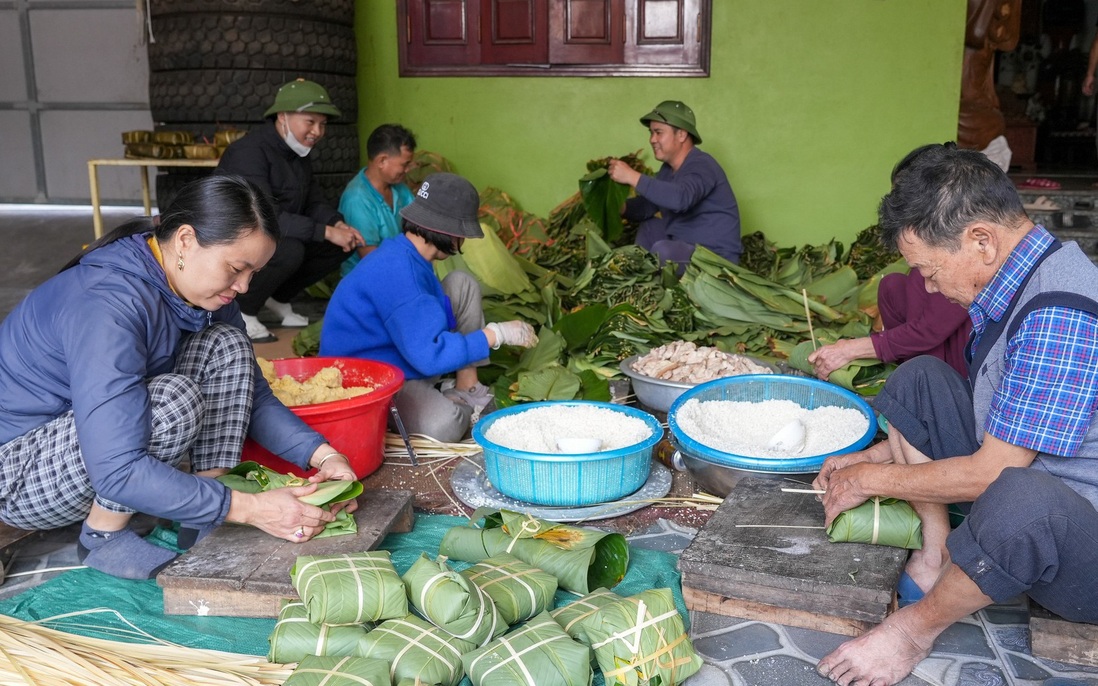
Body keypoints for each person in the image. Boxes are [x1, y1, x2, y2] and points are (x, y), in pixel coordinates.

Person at [812, 145, 1098, 686]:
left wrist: (874, 479)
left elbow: (993, 472)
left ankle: (913, 630)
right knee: (919, 377)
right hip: (1032, 492)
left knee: (1020, 496)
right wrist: (862, 458)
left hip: (1083, 545)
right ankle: (939, 548)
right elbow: (993, 418)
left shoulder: (1059, 309)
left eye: (929, 268)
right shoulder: (1017, 284)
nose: (925, 284)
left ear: (982, 241)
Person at [0, 175, 359, 580]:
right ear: (186, 240)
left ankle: (201, 512)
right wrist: (251, 508)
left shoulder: (202, 291)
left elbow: (252, 397)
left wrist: (324, 456)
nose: (242, 287)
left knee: (227, 344)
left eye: (253, 273)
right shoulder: (108, 304)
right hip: (19, 470)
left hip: (88, 442)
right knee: (174, 399)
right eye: (236, 269)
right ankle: (102, 535)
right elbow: (116, 469)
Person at [320, 173, 538, 443]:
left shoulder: (407, 253)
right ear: (447, 233)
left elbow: (423, 323)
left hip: (402, 352)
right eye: (462, 234)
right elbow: (428, 355)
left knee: (461, 283)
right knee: (446, 424)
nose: (464, 242)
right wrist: (496, 334)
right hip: (368, 379)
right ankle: (448, 398)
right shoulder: (401, 274)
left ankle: (466, 386)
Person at [216, 78, 365, 342]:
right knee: (289, 249)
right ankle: (243, 311)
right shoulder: (249, 152)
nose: (317, 131)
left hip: (275, 233)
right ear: (283, 117)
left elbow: (314, 202)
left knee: (341, 243)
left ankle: (276, 298)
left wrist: (337, 224)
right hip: (236, 237)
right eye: (310, 122)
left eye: (323, 124)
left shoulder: (298, 155)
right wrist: (325, 231)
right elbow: (262, 217)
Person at [606, 100, 742, 269]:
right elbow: (648, 207)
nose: (652, 140)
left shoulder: (702, 165)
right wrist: (620, 208)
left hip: (715, 259)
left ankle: (644, 279)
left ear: (681, 135)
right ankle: (638, 281)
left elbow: (681, 198)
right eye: (651, 133)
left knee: (664, 252)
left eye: (658, 132)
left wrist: (632, 176)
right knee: (650, 226)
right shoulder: (667, 170)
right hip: (685, 247)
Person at [808, 270, 972, 380]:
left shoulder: (961, 265)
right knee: (892, 285)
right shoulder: (920, 272)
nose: (930, 287)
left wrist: (849, 350)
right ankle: (914, 378)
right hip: (924, 362)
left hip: (963, 376)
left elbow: (928, 330)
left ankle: (929, 387)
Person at [338, 124, 418, 276]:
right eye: (404, 164)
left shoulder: (400, 189)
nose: (408, 170)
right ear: (382, 161)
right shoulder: (357, 199)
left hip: (401, 270)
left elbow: (418, 230)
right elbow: (372, 260)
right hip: (370, 280)